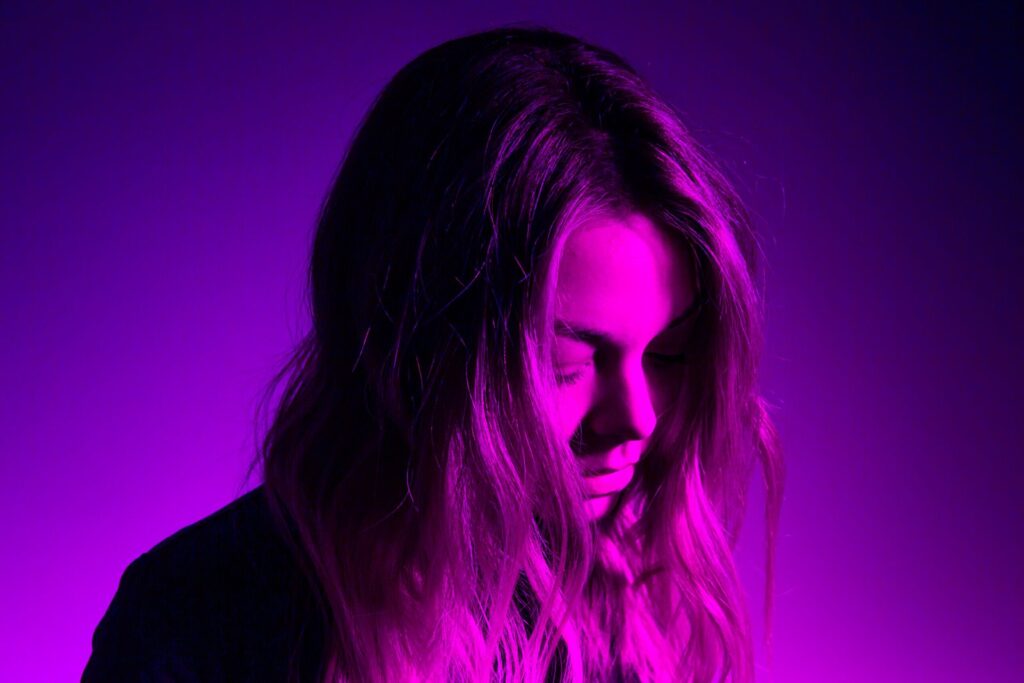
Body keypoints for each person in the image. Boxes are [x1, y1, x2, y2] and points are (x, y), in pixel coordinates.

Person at [83, 25, 783, 683]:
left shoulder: (631, 620)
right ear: (416, 342)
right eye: (565, 364)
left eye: (669, 353)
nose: (637, 418)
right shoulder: (197, 618)